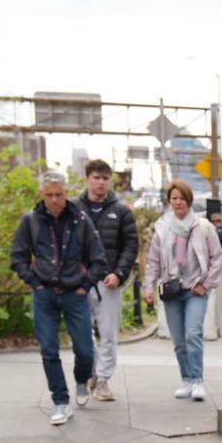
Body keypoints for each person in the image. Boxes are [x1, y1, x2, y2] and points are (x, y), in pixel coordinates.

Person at [9, 171, 106, 427]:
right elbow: (18, 256)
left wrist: (86, 285)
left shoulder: (81, 220)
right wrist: (34, 283)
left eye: (59, 195)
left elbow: (98, 259)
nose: (54, 200)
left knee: (85, 350)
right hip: (45, 294)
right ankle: (61, 401)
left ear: (66, 194)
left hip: (76, 293)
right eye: (49, 195)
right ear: (41, 194)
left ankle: (82, 380)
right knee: (49, 349)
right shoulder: (30, 221)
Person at [142, 180, 222, 401]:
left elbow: (217, 258)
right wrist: (148, 286)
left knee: (192, 333)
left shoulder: (203, 227)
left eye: (182, 198)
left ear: (189, 201)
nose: (177, 202)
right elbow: (152, 261)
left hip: (195, 289)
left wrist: (205, 284)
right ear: (169, 201)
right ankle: (186, 379)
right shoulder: (163, 227)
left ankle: (197, 380)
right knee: (178, 339)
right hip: (171, 289)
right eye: (174, 198)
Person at [78, 159, 138, 404]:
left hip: (109, 280)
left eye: (105, 178)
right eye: (96, 178)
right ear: (87, 179)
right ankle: (90, 372)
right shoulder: (74, 209)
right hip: (81, 281)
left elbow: (131, 244)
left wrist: (120, 273)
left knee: (109, 333)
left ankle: (102, 380)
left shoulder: (121, 211)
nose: (101, 182)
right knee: (82, 333)